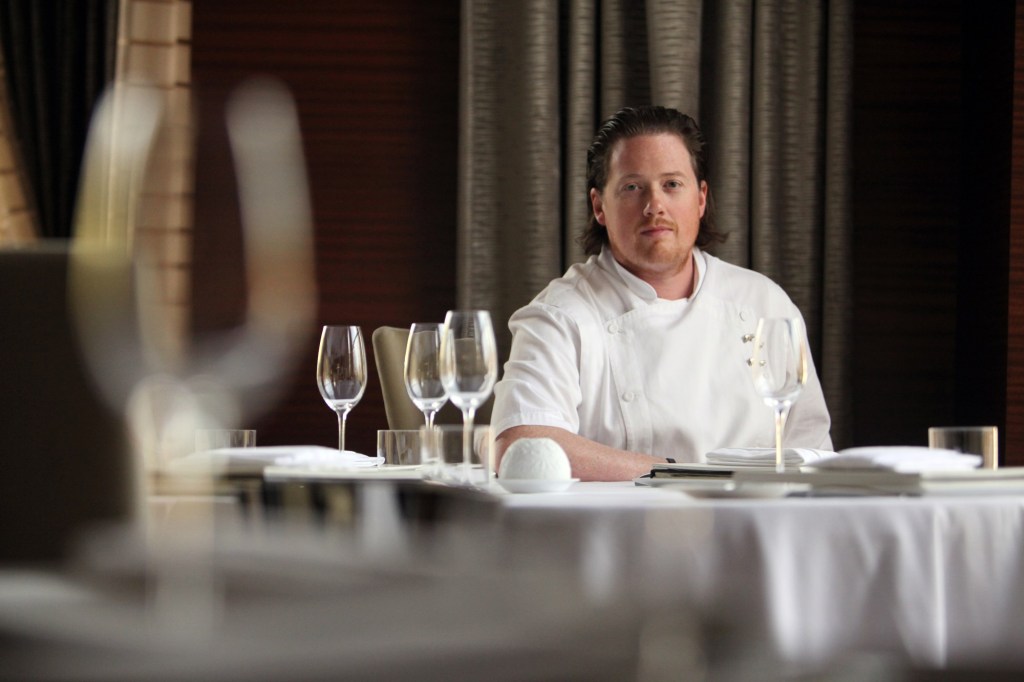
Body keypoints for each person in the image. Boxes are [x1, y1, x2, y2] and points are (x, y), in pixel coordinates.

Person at [491, 105, 832, 481]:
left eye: (671, 184)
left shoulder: (764, 302)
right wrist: (677, 475)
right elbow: (519, 446)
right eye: (632, 187)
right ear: (599, 206)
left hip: (753, 515)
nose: (654, 206)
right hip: (624, 518)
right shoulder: (561, 315)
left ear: (700, 198)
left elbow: (813, 452)